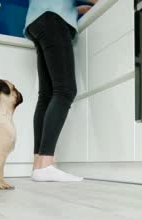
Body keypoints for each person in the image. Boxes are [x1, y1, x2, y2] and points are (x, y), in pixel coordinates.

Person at [24, 0, 96, 182]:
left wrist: (75, 10)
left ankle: (39, 165)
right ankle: (46, 163)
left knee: (47, 96)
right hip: (52, 19)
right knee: (65, 90)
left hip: (38, 19)